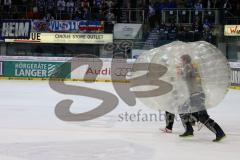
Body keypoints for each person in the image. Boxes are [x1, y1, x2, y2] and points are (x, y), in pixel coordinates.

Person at [178, 54, 226, 142]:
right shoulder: (191, 66)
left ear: (185, 60)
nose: (180, 62)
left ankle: (219, 133)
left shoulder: (188, 66)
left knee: (197, 115)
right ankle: (190, 129)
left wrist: (181, 73)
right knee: (183, 110)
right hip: (196, 95)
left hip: (196, 95)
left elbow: (187, 76)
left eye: (181, 60)